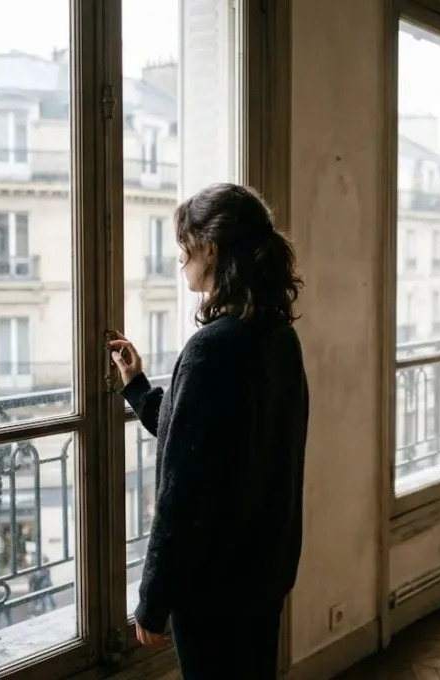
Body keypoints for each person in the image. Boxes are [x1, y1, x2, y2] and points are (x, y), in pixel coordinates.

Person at [108, 183, 308, 679]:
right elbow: (202, 442)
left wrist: (153, 600)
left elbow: (184, 490)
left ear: (211, 249)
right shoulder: (278, 337)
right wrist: (136, 385)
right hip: (265, 569)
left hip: (216, 585)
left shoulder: (211, 349)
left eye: (185, 246)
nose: (180, 260)